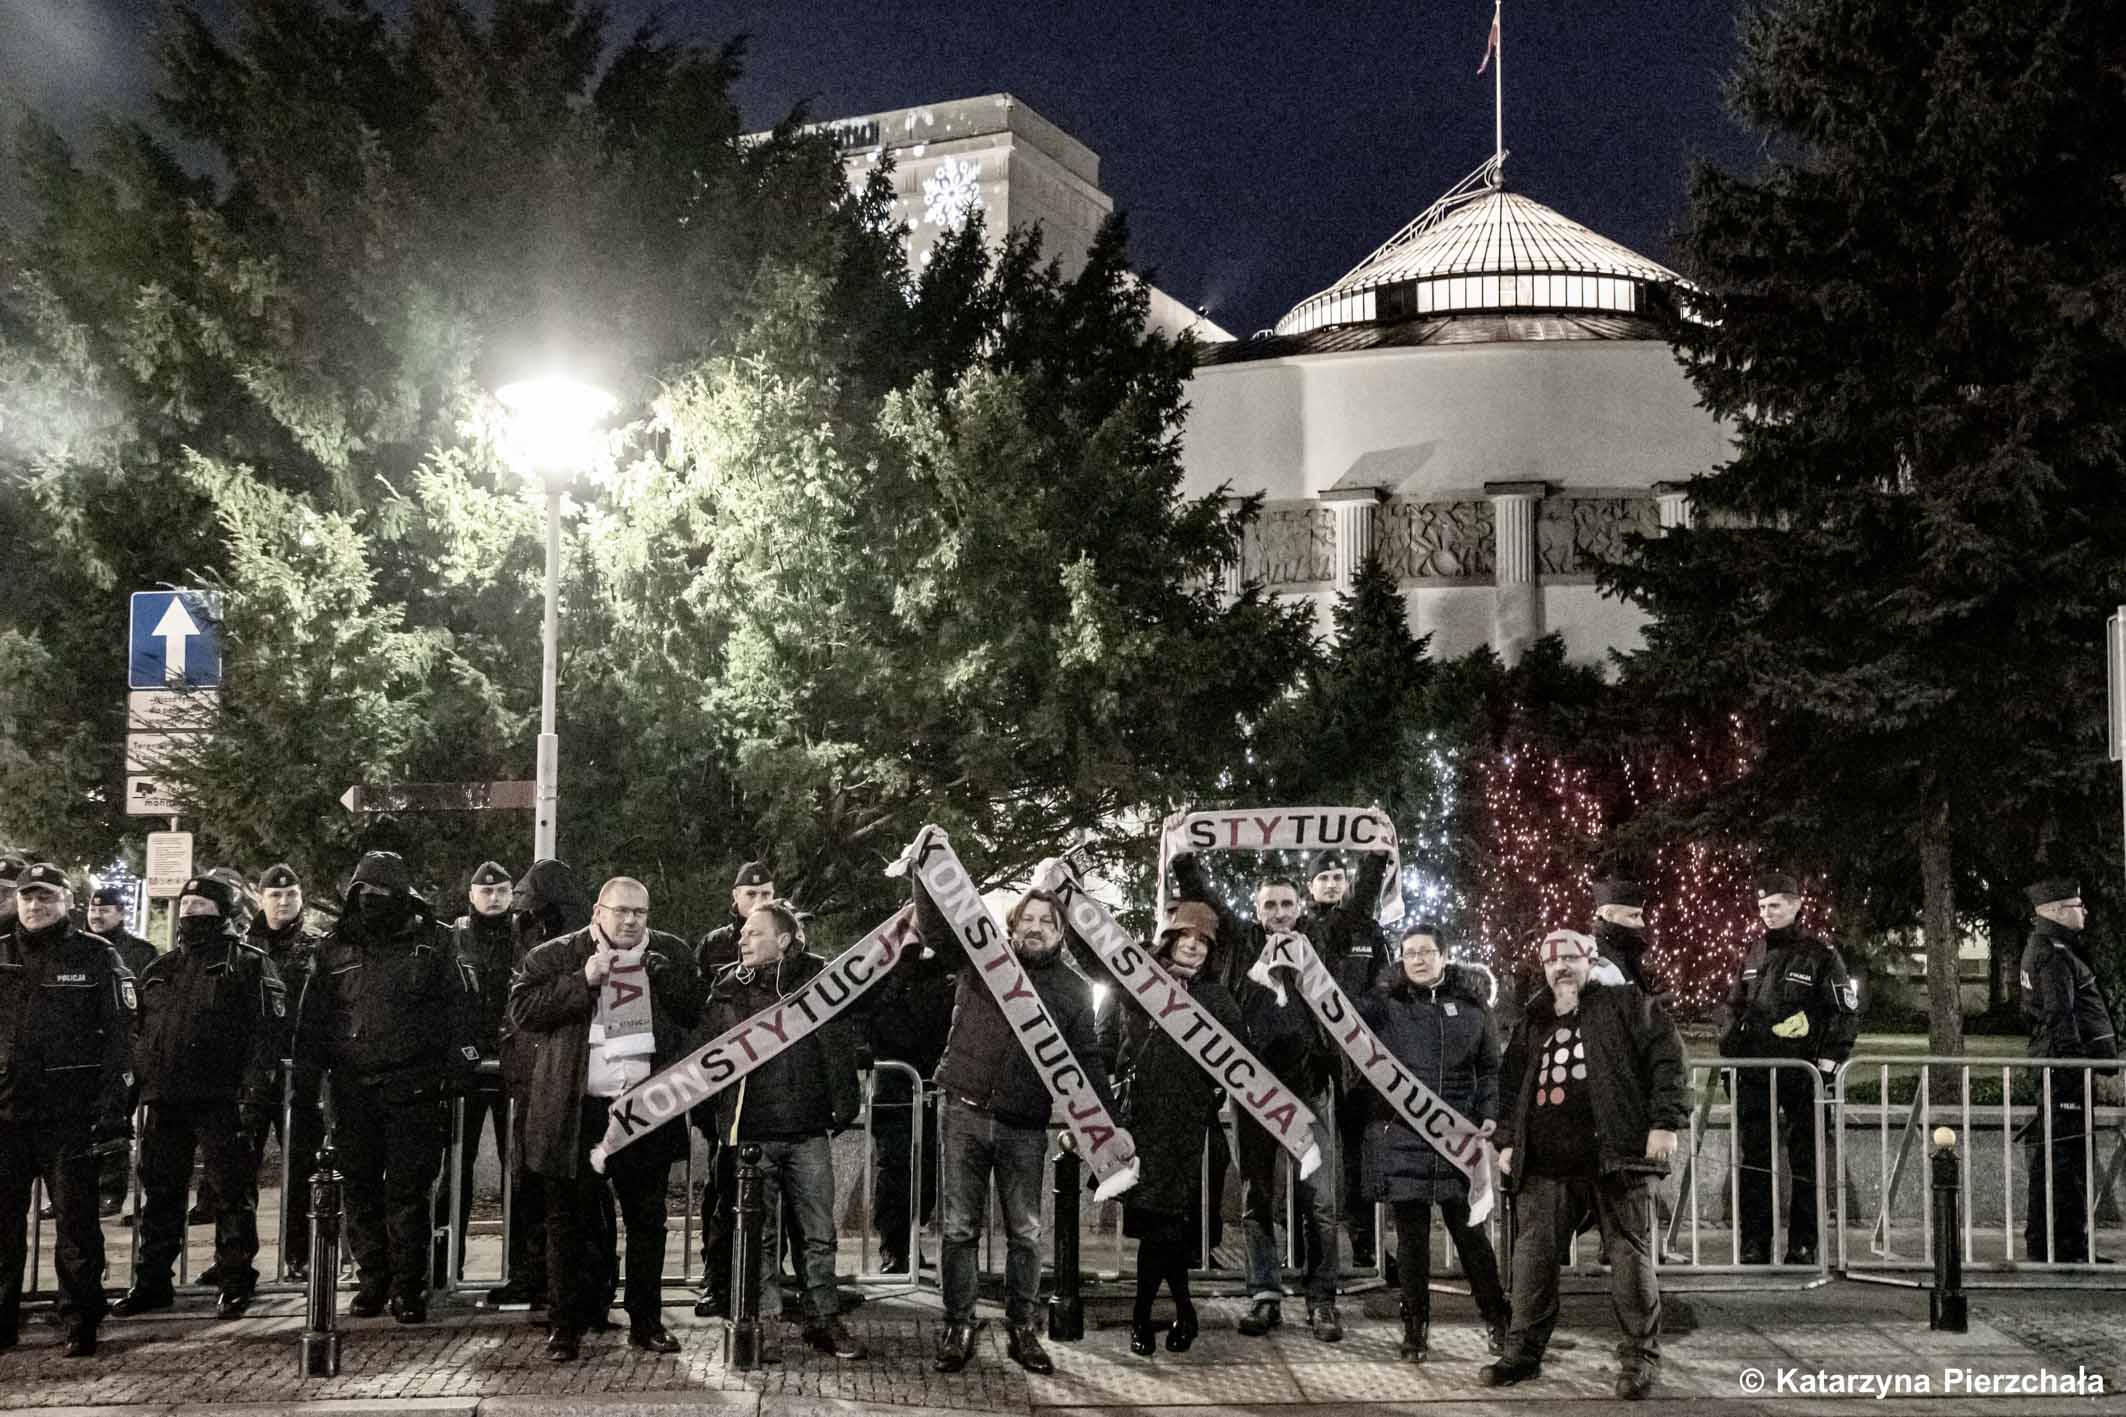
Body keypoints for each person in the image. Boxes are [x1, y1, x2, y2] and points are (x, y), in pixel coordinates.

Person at [911, 881, 1115, 1377]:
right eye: (1030, 918)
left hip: (1024, 1124)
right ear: (1013, 922)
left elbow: (1086, 1058)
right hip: (964, 1110)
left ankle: (1022, 1325)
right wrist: (924, 872)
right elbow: (937, 927)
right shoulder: (983, 959)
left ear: (1062, 932)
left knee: (1025, 1232)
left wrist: (1110, 1125)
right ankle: (958, 1324)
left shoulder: (1071, 988)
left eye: (1049, 922)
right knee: (958, 1229)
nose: (1037, 928)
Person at [1482, 928, 1685, 1400]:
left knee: (1630, 1259)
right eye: (1551, 960)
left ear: (1590, 959)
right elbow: (1510, 1087)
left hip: (1616, 1160)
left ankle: (1639, 1359)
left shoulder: (1628, 1004)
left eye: (1569, 957)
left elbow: (1668, 1061)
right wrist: (1509, 1141)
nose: (1561, 967)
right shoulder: (1534, 1019)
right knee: (1531, 1263)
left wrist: (1665, 1123)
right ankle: (1522, 1355)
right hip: (1547, 1166)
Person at [509, 875, 703, 1362]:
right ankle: (565, 1326)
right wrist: (582, 982)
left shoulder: (669, 953)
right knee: (566, 1225)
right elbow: (523, 1011)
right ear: (598, 912)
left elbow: (696, 1008)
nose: (631, 921)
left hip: (644, 1109)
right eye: (621, 911)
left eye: (640, 913)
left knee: (647, 1221)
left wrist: (664, 977)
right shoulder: (556, 955)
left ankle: (647, 1321)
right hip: (579, 1111)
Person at [1171, 850, 1358, 1344]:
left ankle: (1322, 1300)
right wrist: (1187, 855)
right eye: (1269, 905)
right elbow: (1205, 896)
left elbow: (1356, 914)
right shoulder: (1242, 943)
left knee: (1319, 1202)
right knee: (1257, 1198)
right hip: (1254, 1090)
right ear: (1257, 912)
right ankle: (1264, 1294)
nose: (1278, 912)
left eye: (1286, 904)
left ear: (1300, 907)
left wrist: (1377, 859)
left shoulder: (1319, 944)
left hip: (1310, 1089)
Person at [294, 850, 479, 1324]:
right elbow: (313, 1020)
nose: (372, 901)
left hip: (412, 1086)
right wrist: (306, 1082)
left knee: (407, 1193)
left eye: (381, 893)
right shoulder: (334, 947)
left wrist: (455, 1068)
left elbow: (458, 1009)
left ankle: (408, 1288)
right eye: (364, 893)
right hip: (352, 1088)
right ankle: (372, 1281)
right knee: (359, 1190)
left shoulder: (433, 943)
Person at [695, 901, 865, 1358]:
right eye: (743, 933)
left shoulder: (821, 979)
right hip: (752, 1134)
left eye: (754, 933)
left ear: (784, 940)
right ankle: (762, 1324)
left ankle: (823, 1321)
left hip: (808, 1130)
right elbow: (707, 1052)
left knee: (818, 1234)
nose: (742, 940)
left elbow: (845, 1035)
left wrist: (842, 1104)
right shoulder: (728, 986)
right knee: (759, 1237)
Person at [114, 874, 287, 1319]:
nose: (190, 912)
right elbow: (140, 1032)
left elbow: (267, 1035)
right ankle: (152, 1281)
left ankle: (234, 1280)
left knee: (230, 1194)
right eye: (186, 905)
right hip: (167, 1097)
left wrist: (253, 1094)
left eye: (201, 906)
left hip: (221, 1098)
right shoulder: (162, 968)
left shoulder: (248, 963)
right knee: (161, 1193)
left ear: (222, 912)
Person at [1358, 923, 1509, 1363]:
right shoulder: (1385, 1006)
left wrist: (1488, 1113)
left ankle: (1497, 1318)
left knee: (1472, 1239)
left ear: (1446, 955)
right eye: (1409, 953)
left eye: (1426, 951)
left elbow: (1490, 1069)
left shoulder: (1473, 1007)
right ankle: (1414, 1329)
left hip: (1457, 1140)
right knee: (1411, 1243)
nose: (1418, 960)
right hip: (1404, 1136)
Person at [0, 863, 135, 1356]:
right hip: (7, 1114)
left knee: (76, 1227)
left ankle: (80, 1319)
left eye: (46, 897)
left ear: (67, 901)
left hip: (70, 1117)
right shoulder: (1, 953)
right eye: (28, 898)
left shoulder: (96, 956)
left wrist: (112, 1105)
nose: (36, 906)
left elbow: (122, 1039)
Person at [1102, 899, 1242, 1357]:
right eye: (1186, 937)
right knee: (1159, 1229)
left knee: (1172, 1231)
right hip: (1144, 1126)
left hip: (1192, 1130)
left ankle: (1151, 1318)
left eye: (1203, 942)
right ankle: (1178, 1311)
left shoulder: (1217, 998)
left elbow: (1239, 1059)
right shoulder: (1140, 984)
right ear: (1169, 939)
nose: (1194, 947)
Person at [1717, 873, 1858, 1266]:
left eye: (1775, 905)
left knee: (1806, 1160)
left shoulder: (1820, 955)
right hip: (1756, 1073)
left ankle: (1803, 1243)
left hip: (1802, 1073)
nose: (1767, 913)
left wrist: (1829, 1064)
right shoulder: (1753, 953)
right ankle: (1755, 1243)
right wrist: (1729, 1054)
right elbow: (1733, 1007)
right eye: (1762, 907)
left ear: (1796, 905)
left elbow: (1843, 1014)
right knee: (1754, 1159)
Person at [485, 858, 593, 1309]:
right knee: (538, 1183)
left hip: (549, 1074)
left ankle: (545, 1277)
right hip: (536, 1074)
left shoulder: (547, 942)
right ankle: (541, 1276)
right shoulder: (554, 938)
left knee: (546, 1185)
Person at [2019, 878, 2122, 1263]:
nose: (2085, 911)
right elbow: (2060, 1016)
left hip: (2059, 1070)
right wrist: (2075, 1064)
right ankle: (2065, 1247)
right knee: (2066, 1161)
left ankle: (2054, 1244)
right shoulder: (2055, 954)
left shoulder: (2045, 949)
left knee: (2057, 1159)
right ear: (2057, 912)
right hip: (2064, 1074)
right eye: (2077, 905)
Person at [245, 863, 322, 1280]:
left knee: (301, 1167)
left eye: (291, 894)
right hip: (254, 1074)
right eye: (275, 895)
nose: (283, 901)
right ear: (261, 898)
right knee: (241, 1170)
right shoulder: (240, 945)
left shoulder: (317, 947)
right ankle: (236, 1260)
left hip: (300, 1073)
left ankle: (299, 1254)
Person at [439, 860, 515, 1273]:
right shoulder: (454, 938)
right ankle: (446, 1265)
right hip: (466, 1069)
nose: (493, 897)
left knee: (516, 1168)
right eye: (485, 891)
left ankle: (519, 1268)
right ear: (471, 895)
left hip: (510, 1066)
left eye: (501, 891)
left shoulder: (523, 937)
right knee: (454, 1172)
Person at [863, 937, 954, 1275]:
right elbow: (876, 1021)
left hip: (932, 1087)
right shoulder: (889, 969)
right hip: (897, 1091)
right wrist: (901, 968)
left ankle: (911, 1238)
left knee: (927, 1171)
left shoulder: (948, 972)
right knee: (896, 1170)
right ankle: (895, 1246)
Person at [85, 885, 155, 1218]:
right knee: (82, 1128)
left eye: (105, 910)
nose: (97, 915)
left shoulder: (140, 952)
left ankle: (111, 1193)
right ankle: (77, 1195)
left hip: (125, 1051)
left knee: (115, 1124)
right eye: (94, 910)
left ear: (121, 913)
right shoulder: (78, 949)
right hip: (86, 1053)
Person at [1589, 879, 1658, 994]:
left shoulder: (1632, 955)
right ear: (1609, 915)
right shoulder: (1594, 962)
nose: (1641, 923)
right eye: (1634, 915)